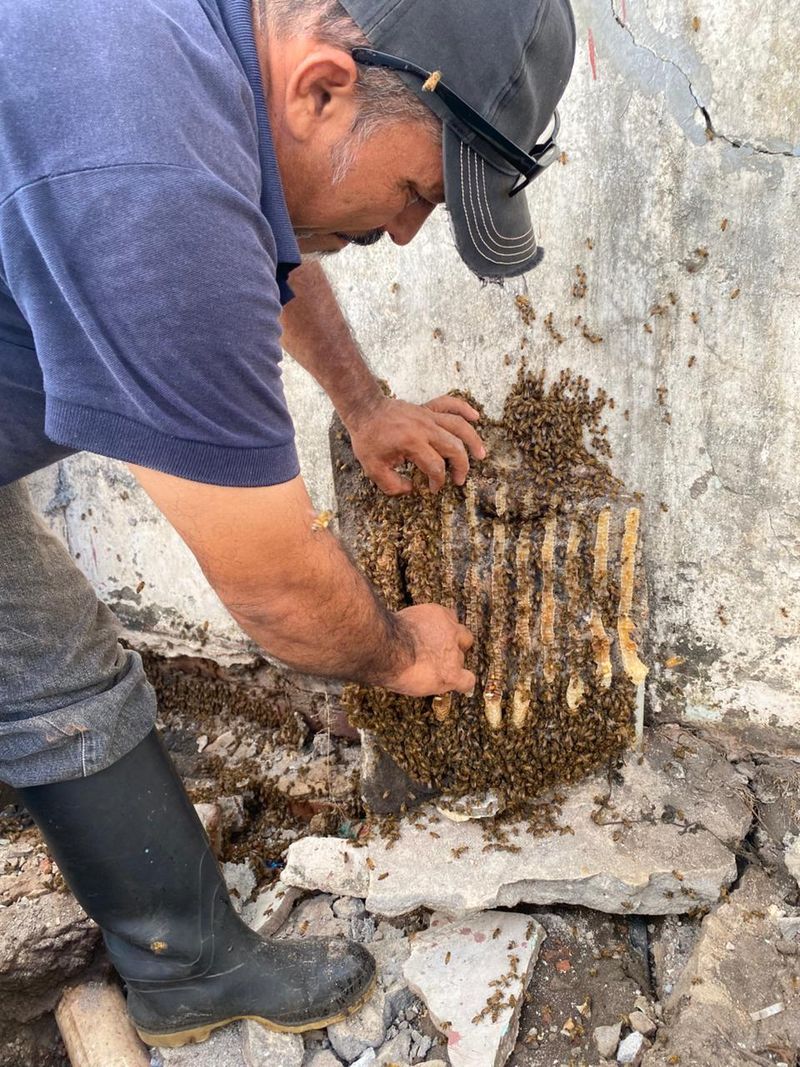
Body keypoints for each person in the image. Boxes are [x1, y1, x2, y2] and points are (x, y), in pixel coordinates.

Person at [0, 0, 576, 1048]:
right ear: (322, 86)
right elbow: (270, 582)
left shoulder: (207, 60)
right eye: (413, 192)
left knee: (52, 666)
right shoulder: (145, 175)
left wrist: (361, 402)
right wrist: (399, 653)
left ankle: (187, 969)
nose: (404, 230)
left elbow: (263, 219)